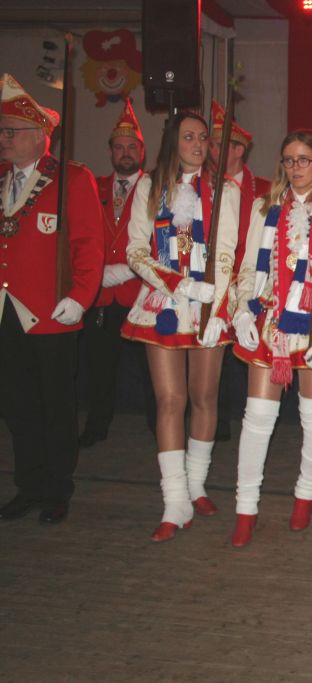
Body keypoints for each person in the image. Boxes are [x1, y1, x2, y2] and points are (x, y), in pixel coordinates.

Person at [230, 129, 312, 547]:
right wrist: (241, 307)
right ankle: (245, 509)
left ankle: (305, 496)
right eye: (289, 160)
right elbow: (249, 266)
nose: (296, 168)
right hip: (271, 321)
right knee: (257, 418)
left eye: (304, 159)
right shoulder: (264, 207)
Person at [121, 110, 240, 542]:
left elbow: (226, 252)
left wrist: (218, 305)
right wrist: (178, 284)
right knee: (169, 400)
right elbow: (136, 251)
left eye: (203, 137)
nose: (198, 144)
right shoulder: (149, 186)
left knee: (204, 396)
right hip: (164, 302)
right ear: (173, 141)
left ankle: (196, 486)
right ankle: (174, 500)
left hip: (208, 304)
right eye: (189, 137)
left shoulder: (224, 190)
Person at [0, 73, 104, 524]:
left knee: (56, 406)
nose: (4, 139)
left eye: (11, 131)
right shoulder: (1, 179)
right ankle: (29, 484)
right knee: (17, 406)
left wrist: (80, 296)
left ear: (39, 136)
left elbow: (89, 246)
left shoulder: (71, 179)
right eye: (2, 131)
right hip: (6, 312)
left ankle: (58, 488)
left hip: (50, 312)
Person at [79, 98, 156, 448]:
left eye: (132, 147)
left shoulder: (156, 188)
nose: (126, 153)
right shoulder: (92, 187)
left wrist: (128, 270)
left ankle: (161, 429)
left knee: (152, 371)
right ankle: (96, 426)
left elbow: (169, 240)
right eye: (119, 147)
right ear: (111, 152)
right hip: (100, 296)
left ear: (142, 151)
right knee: (99, 368)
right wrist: (95, 273)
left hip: (140, 294)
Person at [207, 101, 272, 442]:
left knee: (246, 354)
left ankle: (250, 420)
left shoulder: (264, 189)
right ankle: (213, 421)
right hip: (212, 281)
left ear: (239, 150)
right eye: (211, 144)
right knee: (210, 353)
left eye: (220, 144)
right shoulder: (201, 186)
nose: (212, 151)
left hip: (248, 281)